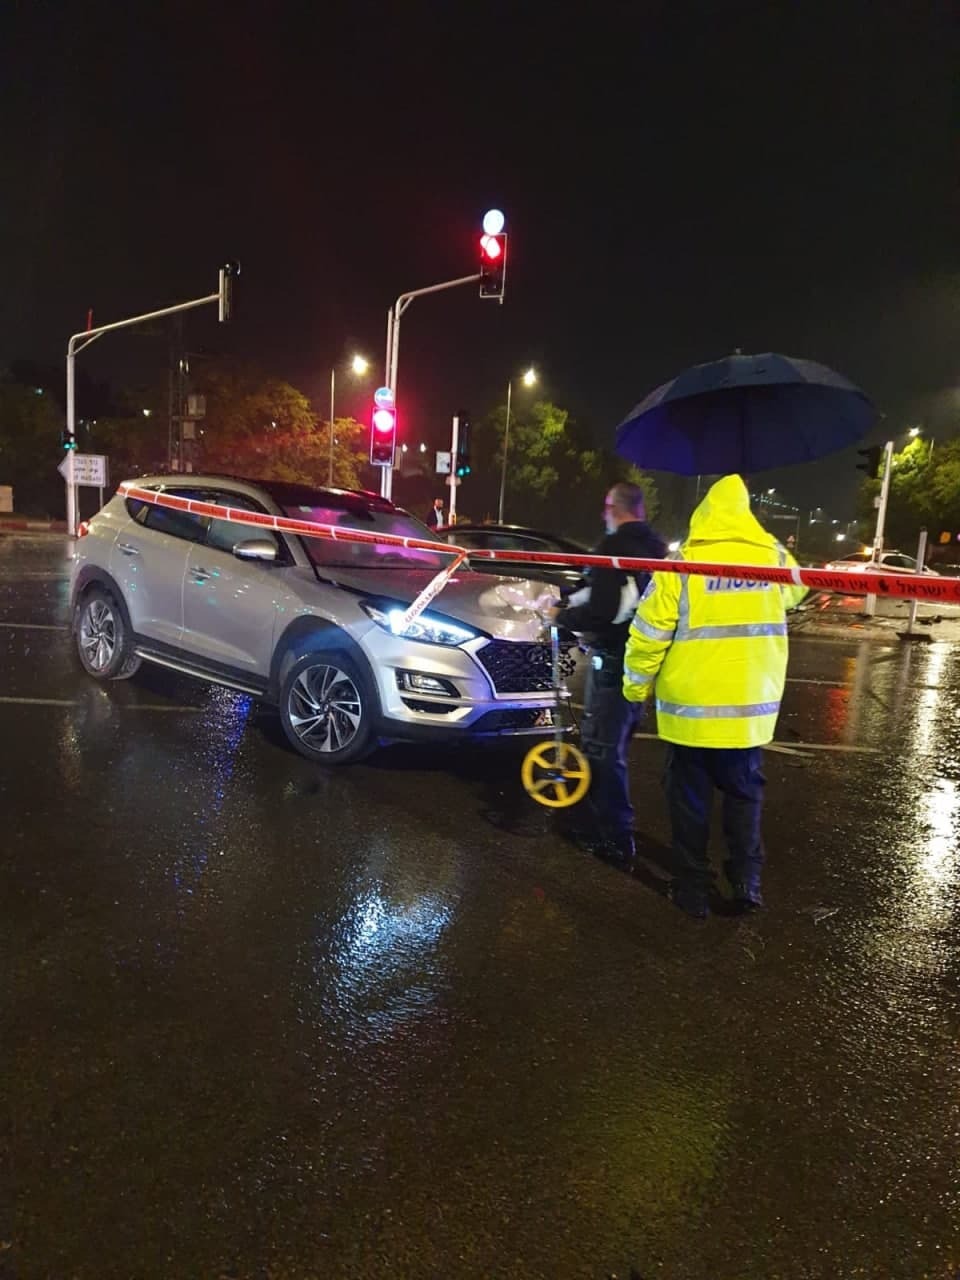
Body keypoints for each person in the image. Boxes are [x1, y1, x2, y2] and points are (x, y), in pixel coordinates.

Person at [622, 475, 808, 918]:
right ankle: (746, 882)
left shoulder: (685, 562)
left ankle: (692, 889)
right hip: (747, 715)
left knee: (689, 803)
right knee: (744, 798)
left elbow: (649, 634)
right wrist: (765, 547)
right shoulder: (771, 558)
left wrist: (634, 687)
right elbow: (799, 590)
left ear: (703, 514)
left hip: (690, 714)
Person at [553, 481, 666, 866]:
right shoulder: (657, 551)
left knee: (602, 750)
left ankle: (615, 836)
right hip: (642, 666)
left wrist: (563, 617)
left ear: (611, 507)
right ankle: (588, 819)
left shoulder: (612, 548)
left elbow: (602, 610)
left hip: (613, 662)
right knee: (609, 745)